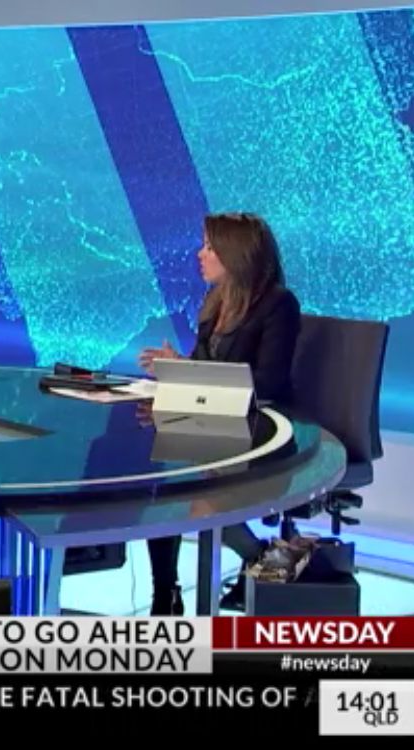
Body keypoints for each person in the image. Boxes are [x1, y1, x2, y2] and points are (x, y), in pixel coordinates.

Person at [138, 212, 301, 615]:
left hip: (260, 434)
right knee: (162, 487)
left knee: (195, 500)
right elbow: (205, 368)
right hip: (213, 427)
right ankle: (166, 596)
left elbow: (268, 384)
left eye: (210, 247)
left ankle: (259, 555)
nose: (201, 254)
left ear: (236, 253)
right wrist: (177, 367)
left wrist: (193, 373)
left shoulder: (278, 305)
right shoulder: (216, 302)